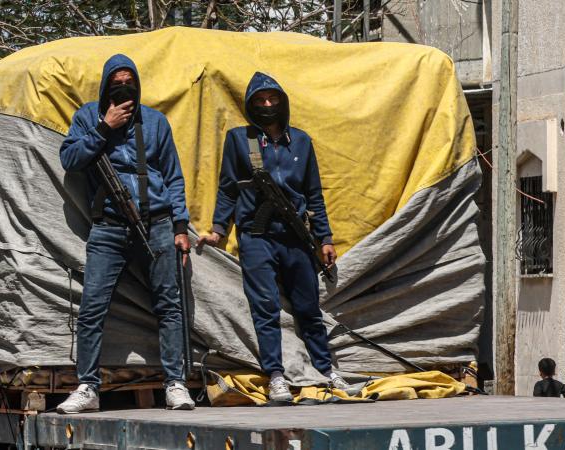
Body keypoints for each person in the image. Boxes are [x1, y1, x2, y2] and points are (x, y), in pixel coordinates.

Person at [197, 72, 349, 402]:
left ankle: (326, 370)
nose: (267, 105)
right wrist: (219, 230)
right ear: (251, 106)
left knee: (308, 308)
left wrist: (324, 238)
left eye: (273, 99)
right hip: (257, 237)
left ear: (282, 102)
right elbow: (228, 189)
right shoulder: (242, 140)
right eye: (260, 101)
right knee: (264, 309)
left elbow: (313, 194)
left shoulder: (302, 142)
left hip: (296, 237)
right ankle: (276, 376)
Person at [57, 54, 195, 412]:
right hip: (109, 227)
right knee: (91, 308)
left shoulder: (155, 122)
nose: (123, 87)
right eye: (116, 82)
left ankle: (176, 383)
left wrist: (181, 226)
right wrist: (105, 127)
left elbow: (173, 176)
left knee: (169, 306)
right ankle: (88, 386)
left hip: (158, 223)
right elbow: (70, 159)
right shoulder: (88, 116)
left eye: (128, 81)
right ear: (106, 86)